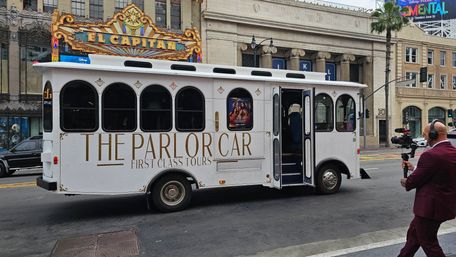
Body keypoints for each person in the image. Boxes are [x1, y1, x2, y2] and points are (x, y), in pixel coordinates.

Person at [398, 120, 456, 257]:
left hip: (429, 210)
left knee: (429, 243)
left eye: (425, 134)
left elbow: (413, 181)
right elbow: (437, 172)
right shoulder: (452, 151)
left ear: (433, 134)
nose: (424, 138)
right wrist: (415, 169)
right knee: (413, 238)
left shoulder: (431, 155)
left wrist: (406, 181)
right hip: (443, 206)